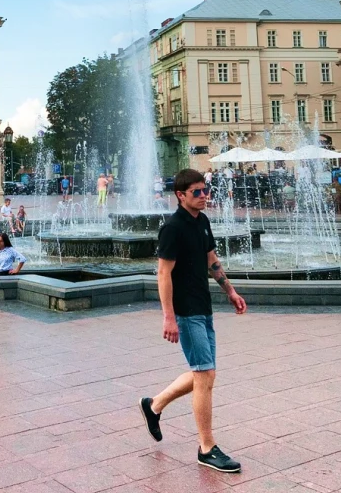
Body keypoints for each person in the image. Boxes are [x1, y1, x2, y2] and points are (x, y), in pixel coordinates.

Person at [140, 169, 246, 474]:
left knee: (206, 373)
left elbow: (212, 259)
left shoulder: (202, 222)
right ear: (181, 195)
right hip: (185, 312)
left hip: (203, 306)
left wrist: (230, 290)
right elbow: (163, 274)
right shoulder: (172, 228)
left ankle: (154, 405)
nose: (204, 196)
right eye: (197, 192)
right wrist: (169, 317)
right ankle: (206, 448)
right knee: (205, 376)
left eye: (205, 190)